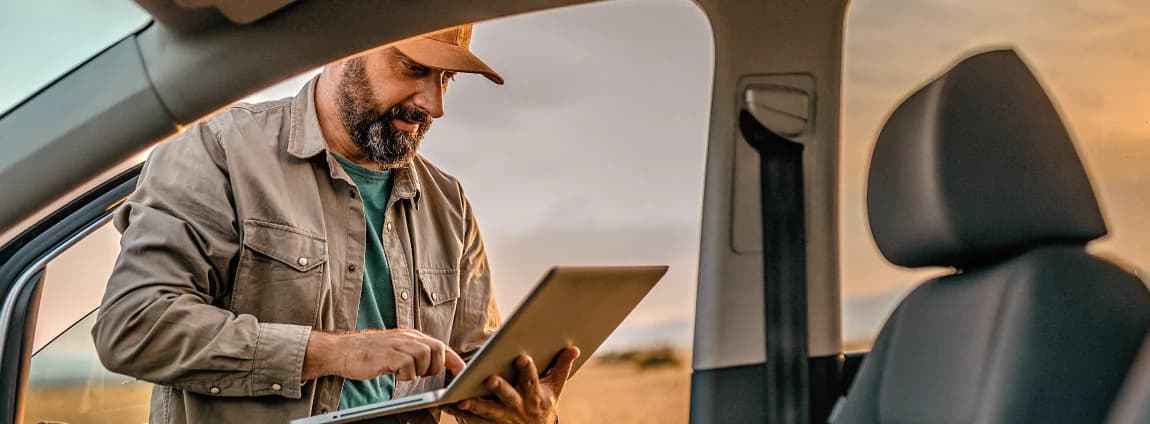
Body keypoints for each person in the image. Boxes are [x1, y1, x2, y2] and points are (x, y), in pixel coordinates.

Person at [91, 24, 579, 424]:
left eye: (446, 79)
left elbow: (474, 368)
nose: (434, 103)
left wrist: (524, 410)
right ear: (342, 45)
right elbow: (133, 325)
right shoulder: (218, 151)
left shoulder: (448, 202)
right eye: (414, 68)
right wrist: (331, 352)